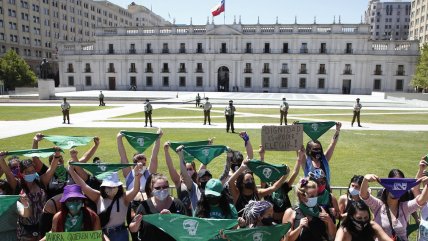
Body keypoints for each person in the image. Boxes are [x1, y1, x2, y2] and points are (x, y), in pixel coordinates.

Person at [69, 165, 144, 241]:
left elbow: (135, 189)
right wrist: (71, 171)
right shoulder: (98, 197)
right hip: (103, 234)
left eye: (114, 186)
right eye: (108, 186)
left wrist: (137, 176)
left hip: (120, 233)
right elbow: (83, 186)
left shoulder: (124, 197)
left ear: (118, 186)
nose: (111, 189)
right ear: (103, 187)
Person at [360, 169, 428, 241]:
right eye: (393, 186)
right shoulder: (378, 205)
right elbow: (364, 195)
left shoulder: (405, 207)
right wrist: (365, 179)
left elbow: (420, 201)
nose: (395, 191)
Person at [128, 173, 187, 241]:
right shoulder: (144, 206)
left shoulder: (178, 205)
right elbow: (133, 229)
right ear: (151, 189)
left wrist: (171, 219)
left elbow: (184, 229)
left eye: (165, 187)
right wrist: (136, 223)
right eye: (158, 188)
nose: (162, 190)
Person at [302, 122, 342, 186]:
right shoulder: (306, 162)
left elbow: (332, 144)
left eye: (319, 149)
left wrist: (337, 130)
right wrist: (296, 130)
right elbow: (298, 147)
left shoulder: (324, 159)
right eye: (315, 149)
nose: (318, 151)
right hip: (311, 193)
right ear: (309, 150)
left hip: (324, 192)